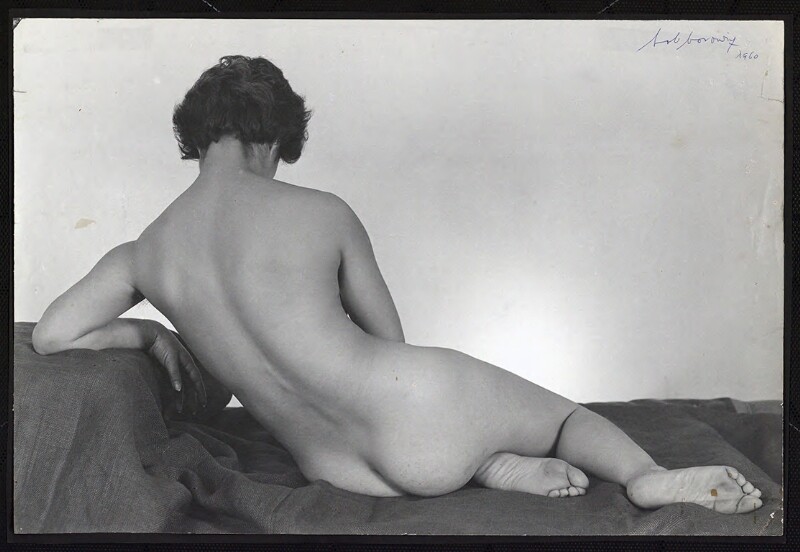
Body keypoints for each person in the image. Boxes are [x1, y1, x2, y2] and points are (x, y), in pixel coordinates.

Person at [32, 55, 762, 513]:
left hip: (333, 469)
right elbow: (390, 341)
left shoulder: (146, 251)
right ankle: (644, 476)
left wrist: (146, 331)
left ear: (196, 137)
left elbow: (54, 334)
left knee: (442, 431)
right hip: (421, 423)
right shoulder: (320, 212)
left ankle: (491, 462)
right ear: (272, 139)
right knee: (566, 420)